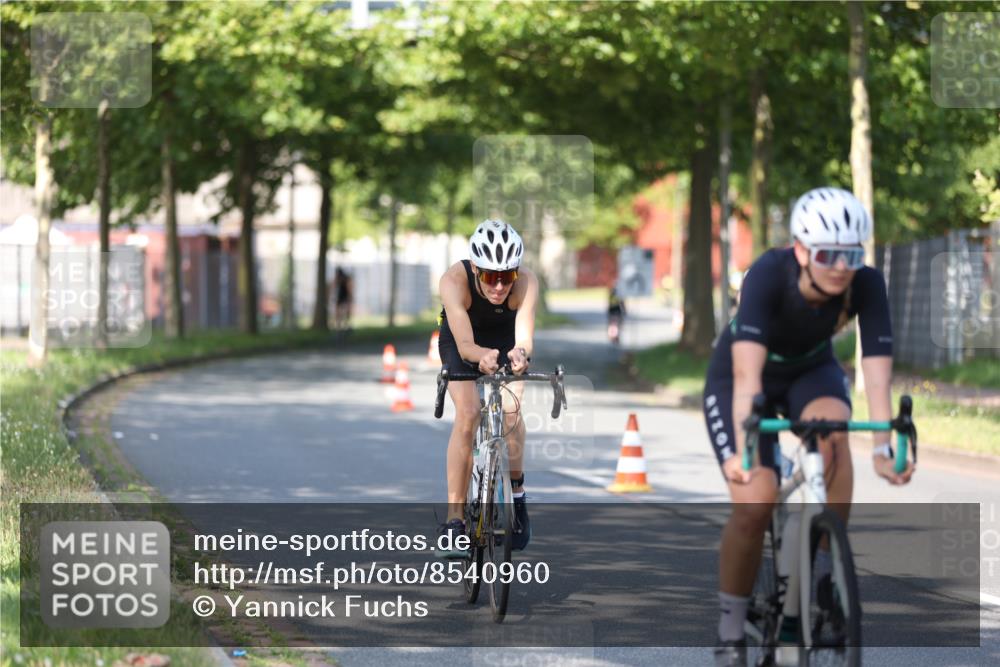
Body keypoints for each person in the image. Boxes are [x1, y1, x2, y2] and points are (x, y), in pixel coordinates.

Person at [703, 187, 915, 665]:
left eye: (851, 254)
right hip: (740, 374)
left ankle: (827, 569)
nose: (841, 265)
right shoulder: (767, 275)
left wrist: (884, 446)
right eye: (826, 254)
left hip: (809, 370)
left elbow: (878, 375)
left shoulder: (866, 283)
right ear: (800, 250)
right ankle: (731, 629)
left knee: (834, 435)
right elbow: (746, 378)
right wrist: (743, 447)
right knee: (756, 501)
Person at [435, 219, 539, 557]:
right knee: (468, 414)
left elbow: (524, 337)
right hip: (464, 338)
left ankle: (518, 495)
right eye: (491, 277)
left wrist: (520, 355)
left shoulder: (526, 283)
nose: (498, 286)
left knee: (510, 412)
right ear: (476, 269)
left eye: (506, 277)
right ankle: (454, 522)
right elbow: (465, 344)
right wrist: (480, 357)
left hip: (504, 337)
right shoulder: (453, 281)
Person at [331, 267, 353, 332]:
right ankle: (340, 325)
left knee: (345, 311)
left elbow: (349, 288)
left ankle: (344, 325)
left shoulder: (344, 279)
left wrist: (349, 297)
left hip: (343, 297)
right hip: (340, 297)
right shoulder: (339, 279)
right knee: (340, 312)